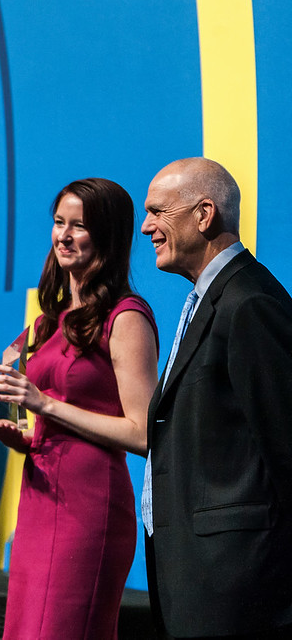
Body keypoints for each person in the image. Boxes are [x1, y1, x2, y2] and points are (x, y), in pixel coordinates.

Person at [0, 178, 159, 639]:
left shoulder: (126, 316)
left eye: (79, 226)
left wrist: (44, 404)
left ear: (107, 236)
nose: (64, 235)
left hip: (88, 507)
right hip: (39, 497)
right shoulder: (47, 323)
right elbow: (52, 421)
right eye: (59, 222)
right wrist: (22, 438)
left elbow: (143, 434)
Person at [140, 157, 292, 638]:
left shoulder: (251, 303)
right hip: (198, 576)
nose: (146, 228)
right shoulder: (209, 300)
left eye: (158, 212)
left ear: (204, 215)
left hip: (237, 586)